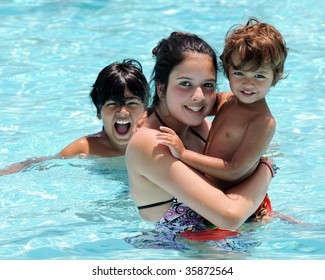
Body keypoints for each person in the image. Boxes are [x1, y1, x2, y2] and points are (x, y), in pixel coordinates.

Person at [125, 31, 276, 237]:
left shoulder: (196, 125)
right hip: (179, 256)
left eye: (208, 85)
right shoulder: (150, 143)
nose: (198, 97)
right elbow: (229, 217)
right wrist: (267, 167)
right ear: (161, 89)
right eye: (185, 83)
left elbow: (226, 186)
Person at [155, 18, 286, 216]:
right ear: (227, 71)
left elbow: (235, 170)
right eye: (239, 73)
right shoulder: (226, 100)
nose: (248, 83)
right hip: (214, 193)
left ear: (275, 77)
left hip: (239, 204)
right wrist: (151, 114)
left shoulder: (262, 122)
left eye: (259, 76)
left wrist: (183, 154)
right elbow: (188, 105)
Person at [0, 59, 149, 176]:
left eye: (131, 103)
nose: (122, 111)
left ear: (145, 110)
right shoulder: (86, 147)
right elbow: (47, 162)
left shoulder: (153, 141)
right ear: (98, 111)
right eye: (112, 104)